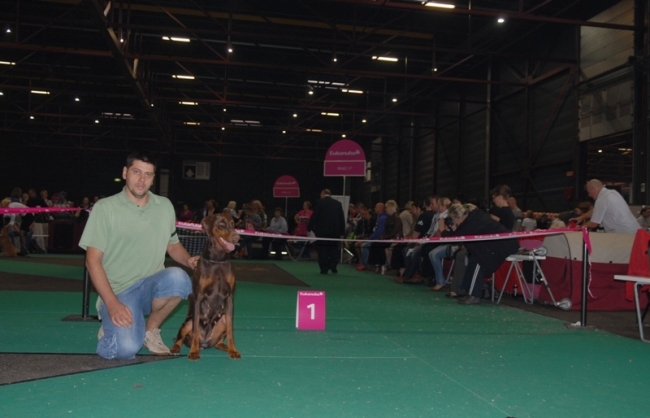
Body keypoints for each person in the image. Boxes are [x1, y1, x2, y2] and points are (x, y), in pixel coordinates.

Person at [79, 151, 198, 360]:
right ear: (125, 173)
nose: (142, 179)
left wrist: (189, 261)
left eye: (148, 174)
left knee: (180, 279)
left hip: (151, 287)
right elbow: (92, 260)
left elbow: (173, 246)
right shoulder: (105, 208)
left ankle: (149, 331)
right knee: (125, 349)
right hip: (118, 292)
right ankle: (111, 331)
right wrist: (112, 304)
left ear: (153, 178)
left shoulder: (165, 206)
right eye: (136, 172)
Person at [446, 203, 519, 305]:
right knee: (473, 259)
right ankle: (468, 291)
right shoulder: (473, 218)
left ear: (459, 217)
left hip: (504, 245)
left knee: (478, 261)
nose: (454, 222)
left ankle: (475, 295)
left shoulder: (471, 223)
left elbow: (455, 238)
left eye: (454, 219)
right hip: (495, 244)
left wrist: (449, 229)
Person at [571, 179, 641, 234]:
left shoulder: (601, 200)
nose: (589, 195)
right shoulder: (613, 193)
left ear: (593, 189)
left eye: (589, 192)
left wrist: (579, 227)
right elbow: (596, 210)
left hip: (624, 233)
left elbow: (594, 224)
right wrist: (581, 217)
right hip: (635, 230)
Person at [308, 189, 345, 274]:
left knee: (322, 250)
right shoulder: (338, 204)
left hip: (322, 231)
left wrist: (309, 227)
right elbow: (341, 218)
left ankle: (324, 268)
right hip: (334, 232)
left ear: (323, 194)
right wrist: (342, 232)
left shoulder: (319, 202)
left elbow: (315, 216)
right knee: (333, 249)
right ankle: (333, 265)